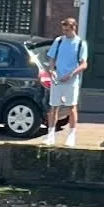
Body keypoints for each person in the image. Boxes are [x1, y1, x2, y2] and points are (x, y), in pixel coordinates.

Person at [44, 16, 88, 148]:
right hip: (57, 79)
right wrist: (51, 70)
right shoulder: (58, 41)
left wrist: (71, 74)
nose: (65, 33)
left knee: (71, 107)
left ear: (74, 28)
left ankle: (71, 136)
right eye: (63, 30)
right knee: (54, 107)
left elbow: (84, 64)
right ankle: (50, 136)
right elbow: (52, 58)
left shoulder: (80, 43)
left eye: (67, 30)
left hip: (71, 80)